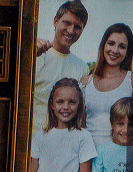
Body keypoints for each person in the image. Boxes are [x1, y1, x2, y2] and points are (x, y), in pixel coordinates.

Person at [80, 23, 133, 152]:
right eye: (111, 43)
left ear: (128, 52)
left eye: (122, 47)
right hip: (90, 159)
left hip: (120, 161)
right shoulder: (86, 82)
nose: (115, 50)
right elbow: (80, 127)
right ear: (103, 45)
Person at [32, 1, 91, 144]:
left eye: (77, 27)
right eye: (67, 23)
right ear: (55, 21)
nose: (71, 31)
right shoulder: (36, 55)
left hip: (64, 148)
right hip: (33, 146)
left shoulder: (82, 67)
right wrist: (28, 54)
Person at [28, 78, 96, 172]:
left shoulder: (83, 136)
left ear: (79, 104)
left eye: (72, 102)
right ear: (52, 104)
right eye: (60, 102)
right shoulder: (40, 136)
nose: (65, 107)